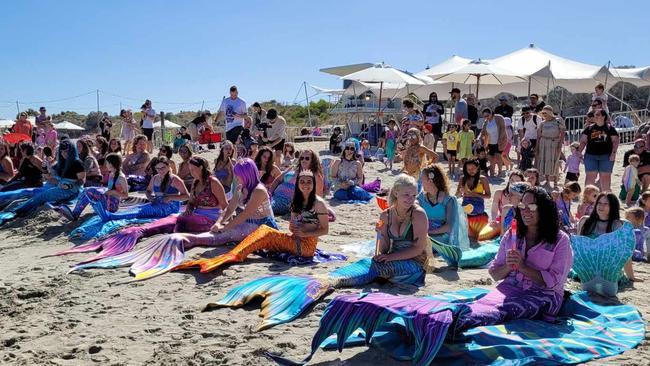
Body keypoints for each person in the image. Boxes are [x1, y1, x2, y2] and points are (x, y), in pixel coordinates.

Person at [175, 169, 330, 273]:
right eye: (302, 182)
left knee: (265, 233)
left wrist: (305, 231)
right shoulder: (296, 202)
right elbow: (291, 227)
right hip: (294, 239)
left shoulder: (318, 203)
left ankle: (236, 255)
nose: (305, 185)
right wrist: (295, 228)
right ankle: (236, 253)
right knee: (263, 232)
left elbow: (325, 229)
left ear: (313, 184)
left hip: (305, 247)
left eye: (309, 182)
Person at [0, 139, 85, 225]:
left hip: (70, 191)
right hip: (57, 186)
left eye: (66, 151)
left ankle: (13, 213)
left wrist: (69, 186)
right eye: (62, 152)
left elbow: (82, 181)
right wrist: (44, 169)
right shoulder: (61, 163)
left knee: (39, 197)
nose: (64, 154)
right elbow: (50, 178)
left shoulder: (77, 163)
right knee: (28, 193)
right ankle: (10, 209)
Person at [575, 193, 638, 294]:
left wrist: (631, 276)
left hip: (609, 272)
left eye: (605, 204)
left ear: (612, 206)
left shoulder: (619, 225)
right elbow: (578, 250)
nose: (601, 206)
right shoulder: (585, 221)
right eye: (599, 203)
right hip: (587, 270)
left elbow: (625, 254)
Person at [96, 157, 189, 222]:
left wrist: (171, 197)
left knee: (142, 212)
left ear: (168, 167)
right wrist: (149, 197)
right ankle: (111, 215)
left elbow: (187, 196)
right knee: (138, 208)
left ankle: (111, 217)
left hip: (171, 207)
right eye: (158, 168)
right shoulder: (155, 177)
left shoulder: (175, 179)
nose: (161, 170)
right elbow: (148, 191)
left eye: (163, 168)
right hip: (157, 202)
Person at [53, 153, 129, 222]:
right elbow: (109, 188)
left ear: (112, 163)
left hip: (112, 205)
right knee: (86, 190)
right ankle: (75, 213)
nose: (106, 165)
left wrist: (113, 192)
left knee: (90, 191)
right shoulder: (112, 173)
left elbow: (126, 195)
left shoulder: (121, 177)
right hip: (108, 199)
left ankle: (75, 214)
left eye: (107, 163)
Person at [418, 164, 470, 257]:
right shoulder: (421, 198)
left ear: (430, 180)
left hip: (440, 238)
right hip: (423, 235)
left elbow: (449, 227)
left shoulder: (449, 200)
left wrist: (429, 232)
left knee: (424, 245)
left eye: (422, 179)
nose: (420, 182)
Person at [270, 148, 324, 216]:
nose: (303, 160)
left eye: (307, 158)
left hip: (287, 200)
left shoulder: (314, 175)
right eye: (302, 158)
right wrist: (269, 192)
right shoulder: (293, 168)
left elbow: (319, 195)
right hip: (274, 195)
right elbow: (277, 180)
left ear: (312, 161)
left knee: (265, 207)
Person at [579, 109, 619, 192]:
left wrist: (613, 153)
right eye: (595, 115)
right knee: (590, 177)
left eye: (598, 115)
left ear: (603, 116)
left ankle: (606, 196)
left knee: (605, 177)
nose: (595, 116)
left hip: (606, 156)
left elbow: (615, 141)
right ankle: (587, 198)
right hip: (590, 155)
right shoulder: (589, 128)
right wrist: (579, 152)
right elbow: (583, 141)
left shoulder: (610, 128)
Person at [456, 159, 491, 240]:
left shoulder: (483, 179)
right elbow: (457, 195)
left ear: (478, 168)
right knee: (465, 206)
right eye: (468, 169)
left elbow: (488, 195)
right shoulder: (463, 179)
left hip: (478, 203)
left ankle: (464, 210)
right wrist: (460, 192)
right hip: (466, 202)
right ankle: (465, 210)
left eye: (473, 168)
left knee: (470, 208)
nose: (470, 171)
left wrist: (475, 194)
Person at [536, 106, 566, 188]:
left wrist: (560, 144)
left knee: (555, 161)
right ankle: (547, 180)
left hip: (554, 143)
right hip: (544, 143)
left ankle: (556, 181)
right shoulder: (542, 123)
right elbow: (538, 136)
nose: (544, 115)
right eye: (543, 113)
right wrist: (537, 147)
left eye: (545, 113)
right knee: (545, 161)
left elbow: (563, 132)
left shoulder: (558, 121)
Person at [479, 108, 508, 177]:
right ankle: (492, 172)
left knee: (498, 157)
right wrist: (479, 138)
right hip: (490, 142)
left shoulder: (499, 118)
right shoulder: (486, 122)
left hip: (499, 141)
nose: (486, 117)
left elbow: (503, 129)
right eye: (484, 116)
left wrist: (500, 140)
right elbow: (482, 132)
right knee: (490, 157)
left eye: (487, 115)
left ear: (491, 113)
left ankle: (500, 171)